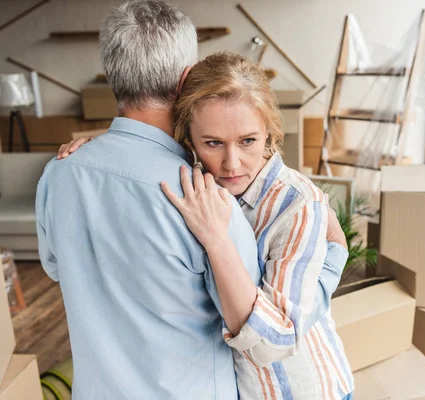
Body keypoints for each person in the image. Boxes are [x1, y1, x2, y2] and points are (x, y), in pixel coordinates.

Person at [40, 1, 348, 399]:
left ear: (111, 75)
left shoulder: (60, 171)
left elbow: (56, 267)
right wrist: (335, 254)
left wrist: (98, 150)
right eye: (215, 142)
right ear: (187, 81)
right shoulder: (202, 196)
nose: (231, 160)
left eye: (248, 141)